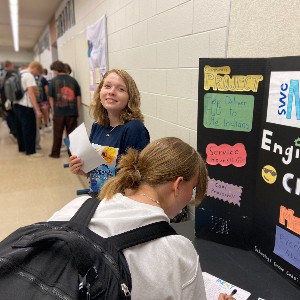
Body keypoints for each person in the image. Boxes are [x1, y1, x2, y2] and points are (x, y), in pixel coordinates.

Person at [49, 137, 234, 300]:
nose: (189, 198)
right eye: (192, 188)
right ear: (178, 185)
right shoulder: (178, 253)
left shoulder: (78, 207)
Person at [69, 69, 150, 195]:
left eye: (121, 89)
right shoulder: (98, 126)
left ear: (130, 97)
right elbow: (98, 173)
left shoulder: (134, 129)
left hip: (119, 205)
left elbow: (139, 180)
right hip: (99, 199)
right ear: (100, 91)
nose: (111, 92)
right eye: (107, 86)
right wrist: (83, 170)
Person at [48, 60, 81, 158]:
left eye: (53, 70)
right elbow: (78, 97)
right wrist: (77, 110)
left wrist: (53, 110)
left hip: (58, 112)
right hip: (72, 112)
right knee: (72, 134)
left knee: (57, 133)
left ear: (56, 70)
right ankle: (72, 154)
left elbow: (51, 98)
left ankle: (55, 153)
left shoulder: (53, 81)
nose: (53, 72)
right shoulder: (73, 81)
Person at [13, 61, 43, 157]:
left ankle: (22, 148)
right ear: (35, 68)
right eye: (37, 72)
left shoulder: (20, 73)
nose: (36, 74)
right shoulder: (29, 76)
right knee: (29, 129)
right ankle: (31, 151)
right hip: (26, 106)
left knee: (20, 128)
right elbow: (31, 94)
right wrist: (37, 110)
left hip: (16, 104)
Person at [0, 60, 17, 140]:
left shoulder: (1, 74)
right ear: (10, 66)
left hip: (3, 98)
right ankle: (15, 131)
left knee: (7, 114)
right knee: (13, 114)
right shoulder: (12, 74)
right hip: (11, 98)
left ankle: (12, 130)